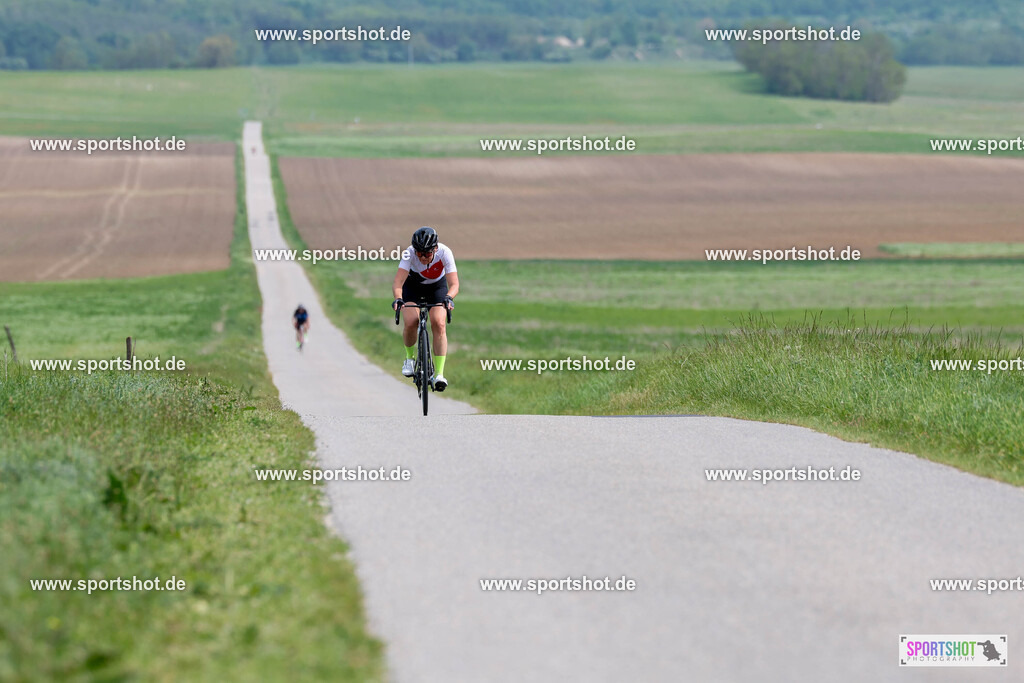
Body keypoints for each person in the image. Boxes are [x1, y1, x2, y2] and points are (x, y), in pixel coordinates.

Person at [392, 226, 458, 391]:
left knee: (439, 323)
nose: (422, 257)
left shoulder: (445, 252)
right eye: (419, 253)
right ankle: (409, 358)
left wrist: (449, 297)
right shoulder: (409, 253)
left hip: (437, 288)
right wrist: (398, 299)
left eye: (427, 253)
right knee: (411, 321)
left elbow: (454, 284)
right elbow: (398, 282)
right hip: (413, 287)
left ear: (435, 249)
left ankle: (439, 374)